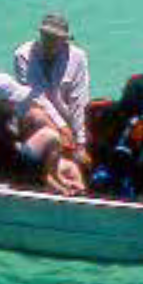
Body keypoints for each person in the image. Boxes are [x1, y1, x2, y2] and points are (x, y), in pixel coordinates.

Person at [0, 73, 85, 196]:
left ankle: (61, 179)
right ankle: (68, 191)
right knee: (51, 137)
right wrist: (58, 188)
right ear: (0, 101)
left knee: (70, 167)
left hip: (5, 162)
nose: (15, 103)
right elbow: (13, 171)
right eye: (11, 100)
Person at [13, 13, 91, 169]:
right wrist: (62, 129)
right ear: (40, 34)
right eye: (47, 37)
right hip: (36, 116)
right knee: (37, 114)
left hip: (67, 121)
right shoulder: (22, 55)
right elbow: (37, 97)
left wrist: (80, 142)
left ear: (64, 40)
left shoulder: (78, 58)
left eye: (56, 38)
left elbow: (79, 100)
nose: (51, 42)